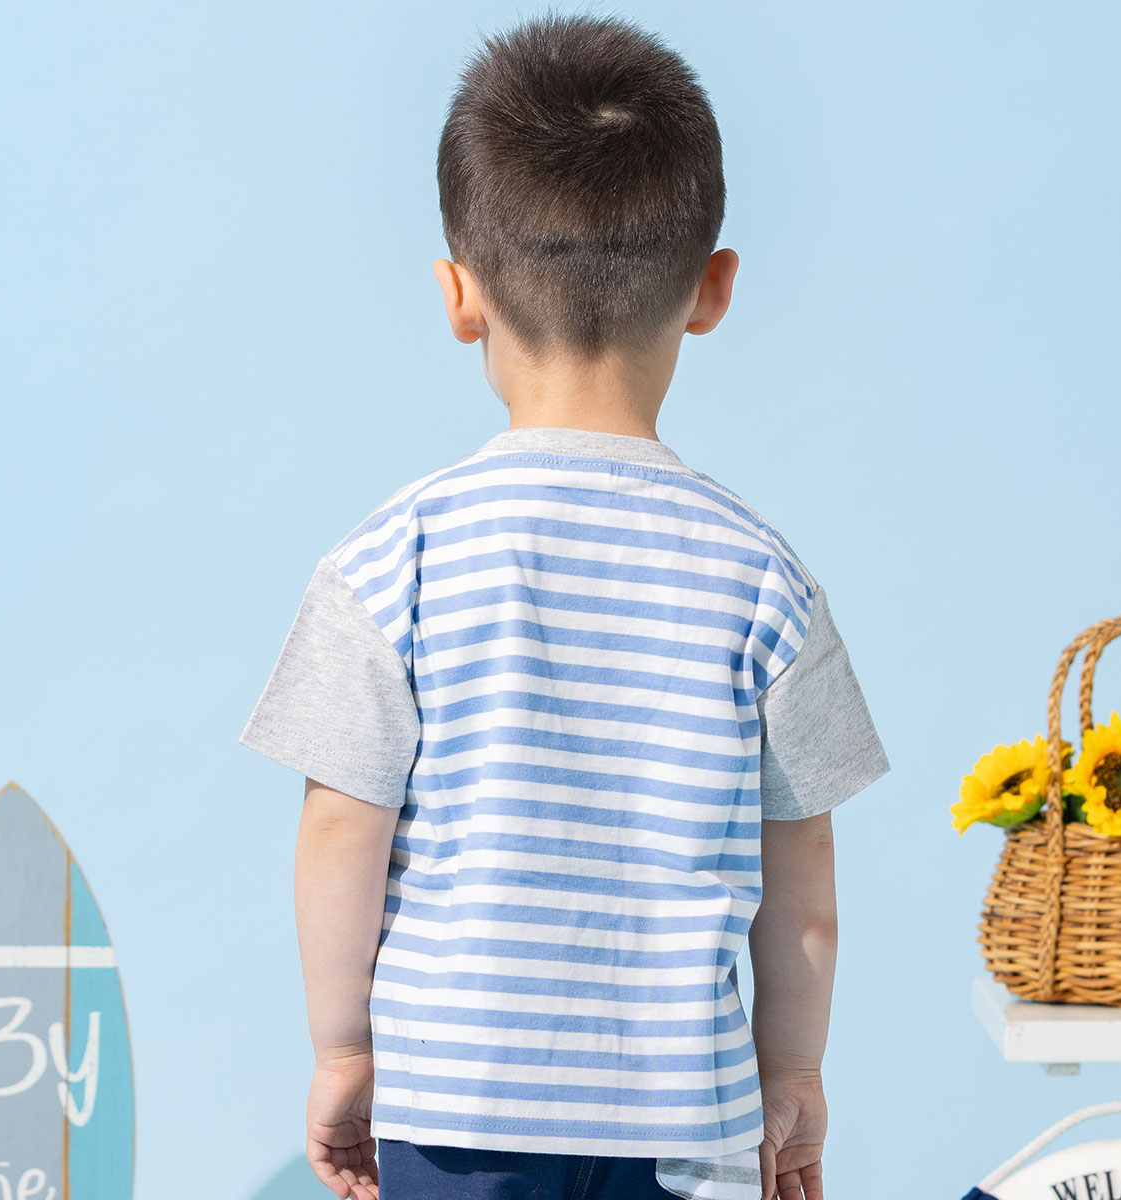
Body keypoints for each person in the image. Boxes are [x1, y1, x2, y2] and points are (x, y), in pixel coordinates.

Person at [238, 11, 891, 1200]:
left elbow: (341, 830)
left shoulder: (393, 561)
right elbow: (803, 868)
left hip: (458, 1106)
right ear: (712, 289)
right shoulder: (766, 577)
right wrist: (793, 1071)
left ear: (459, 295)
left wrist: (343, 1052)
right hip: (686, 1119)